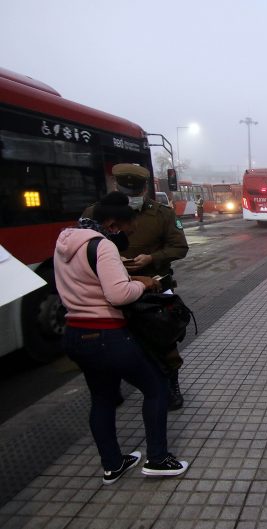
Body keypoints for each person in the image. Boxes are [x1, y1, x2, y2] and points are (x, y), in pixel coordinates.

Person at [54, 191, 189, 484]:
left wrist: (126, 275)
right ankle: (157, 459)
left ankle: (113, 464)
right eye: (128, 229)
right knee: (156, 389)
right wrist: (146, 284)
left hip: (76, 334)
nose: (129, 234)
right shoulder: (102, 246)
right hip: (107, 335)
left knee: (101, 399)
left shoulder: (66, 241)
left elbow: (86, 281)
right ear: (113, 224)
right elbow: (117, 295)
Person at [83, 164, 189, 410]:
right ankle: (112, 388)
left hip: (154, 289)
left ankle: (171, 385)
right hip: (111, 288)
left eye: (136, 191)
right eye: (126, 189)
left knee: (164, 338)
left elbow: (180, 247)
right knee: (112, 341)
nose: (132, 196)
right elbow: (86, 245)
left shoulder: (162, 213)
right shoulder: (95, 212)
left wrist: (152, 258)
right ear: (116, 187)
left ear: (145, 189)